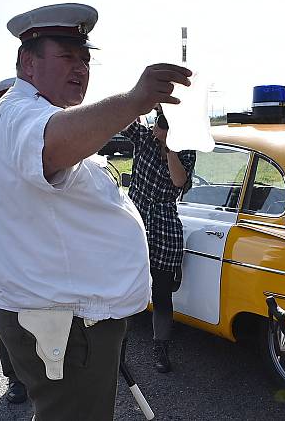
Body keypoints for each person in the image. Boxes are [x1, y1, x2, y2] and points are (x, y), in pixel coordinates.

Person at [0, 3, 191, 420]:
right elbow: (51, 144)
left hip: (69, 319)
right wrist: (134, 101)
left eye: (86, 58)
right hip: (66, 323)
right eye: (67, 56)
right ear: (27, 62)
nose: (81, 67)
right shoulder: (20, 114)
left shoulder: (30, 114)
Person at [121, 107, 196, 373]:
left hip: (165, 221)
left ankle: (160, 349)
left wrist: (170, 146)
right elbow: (122, 116)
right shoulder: (143, 137)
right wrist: (146, 103)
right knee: (126, 288)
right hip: (136, 218)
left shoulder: (185, 150)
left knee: (162, 292)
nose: (158, 128)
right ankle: (118, 350)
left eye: (164, 125)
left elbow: (178, 181)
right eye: (159, 123)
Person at [0, 76, 28, 404]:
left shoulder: (35, 130)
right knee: (9, 306)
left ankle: (41, 373)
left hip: (37, 240)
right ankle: (15, 377)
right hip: (4, 238)